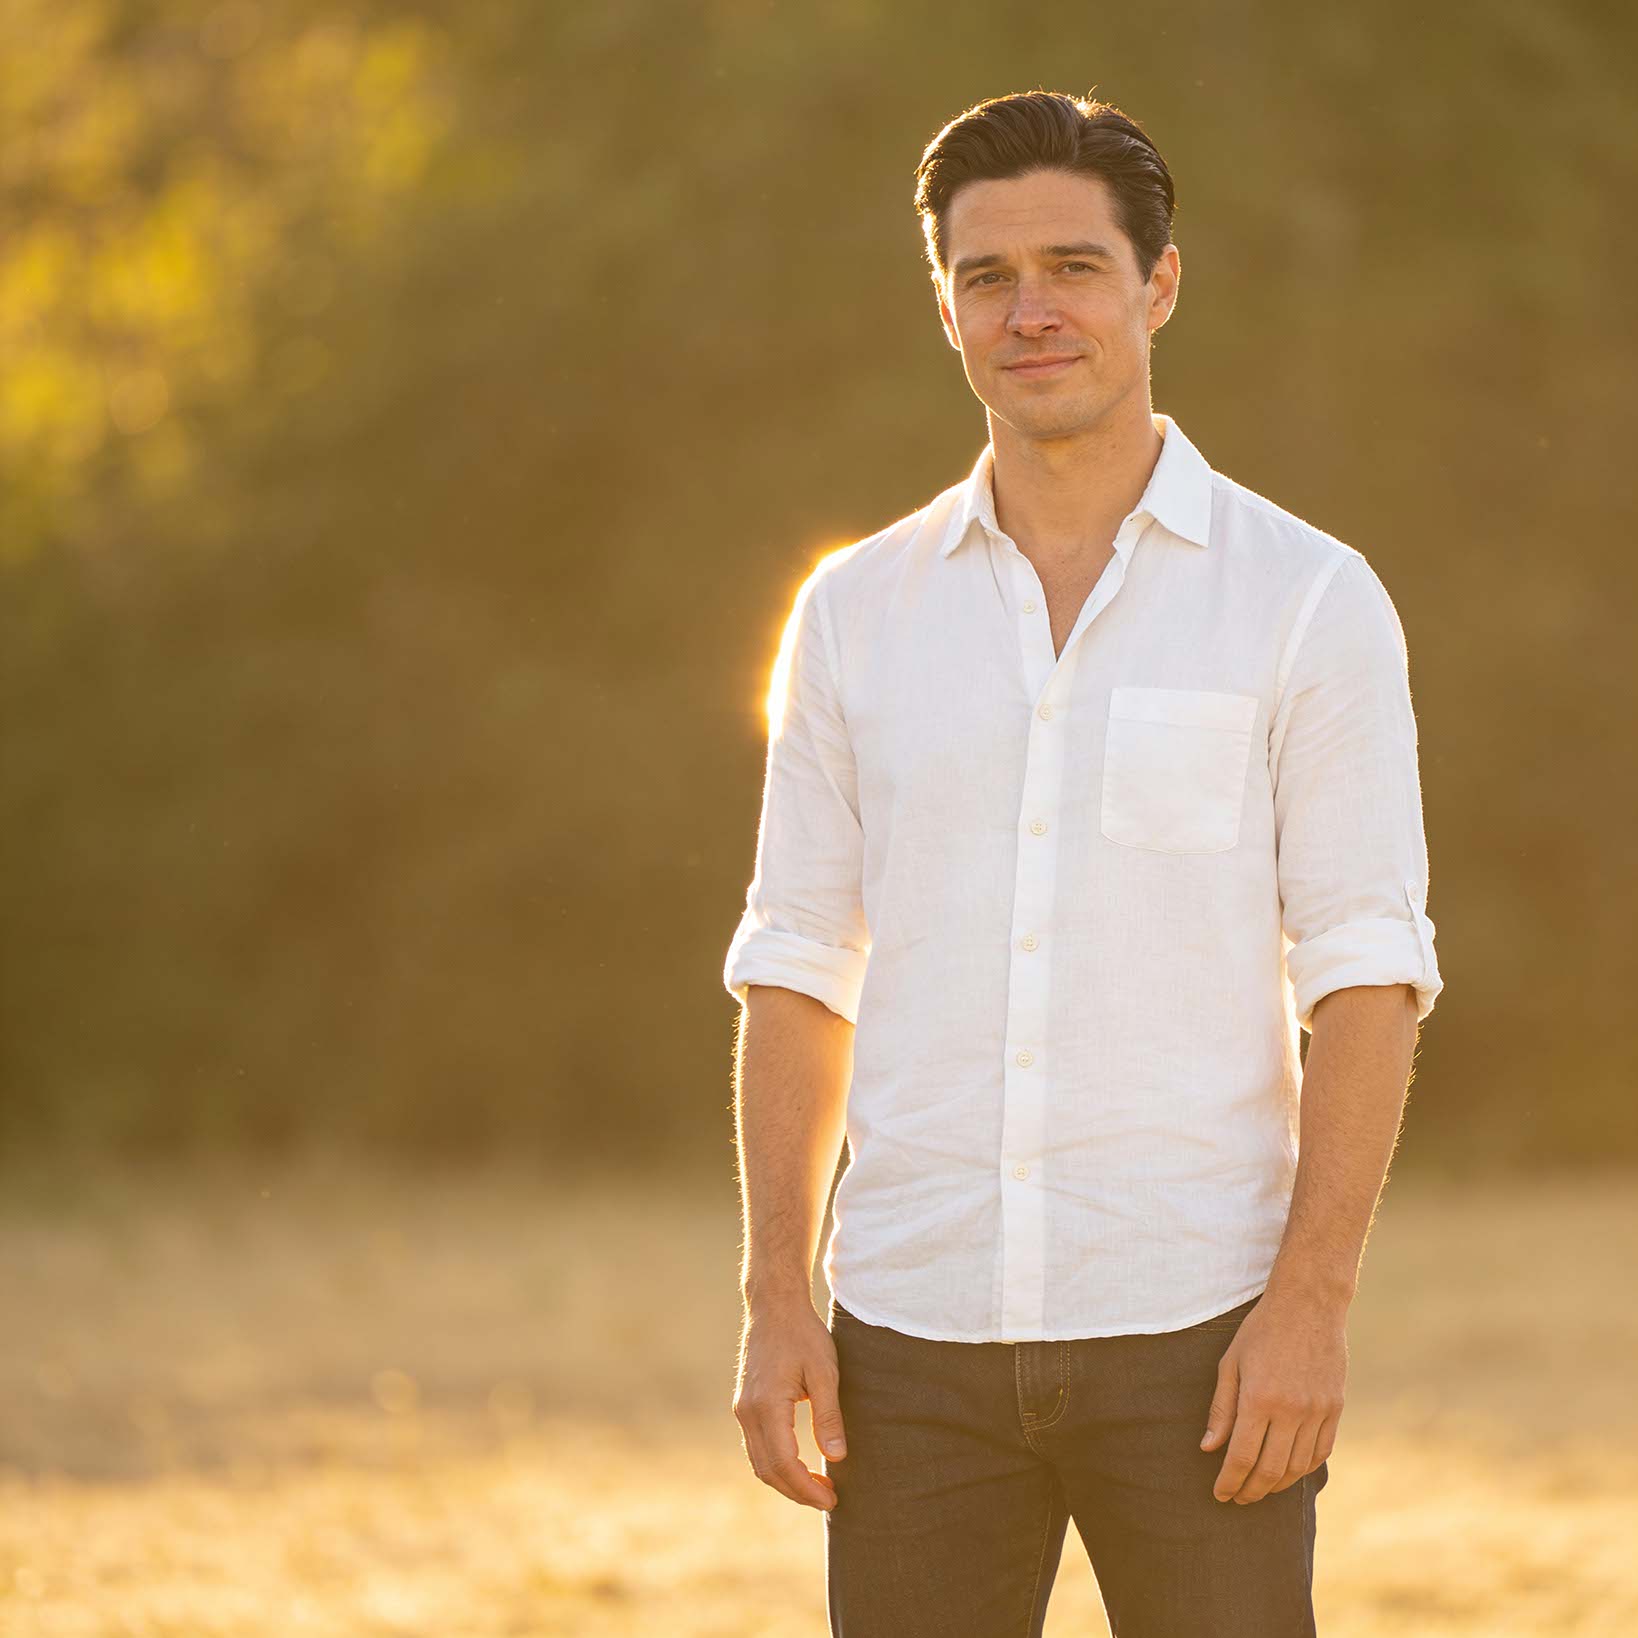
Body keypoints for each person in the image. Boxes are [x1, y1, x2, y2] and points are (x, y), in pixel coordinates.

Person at [722, 88, 1444, 1637]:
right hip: (907, 1337)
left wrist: (1309, 1305)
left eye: (1072, 267)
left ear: (1157, 284)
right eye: (985, 277)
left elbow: (1367, 973)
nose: (1029, 312)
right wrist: (777, 1293)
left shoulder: (1305, 600)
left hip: (1200, 1336)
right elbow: (795, 962)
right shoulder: (851, 612)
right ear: (945, 309)